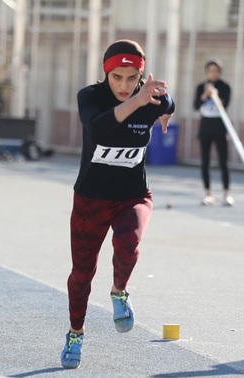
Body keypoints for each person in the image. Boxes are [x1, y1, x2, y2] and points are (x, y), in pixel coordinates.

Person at [60, 39, 175, 369]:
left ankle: (119, 292)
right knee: (82, 273)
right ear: (106, 74)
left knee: (129, 243)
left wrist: (164, 112)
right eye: (117, 77)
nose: (124, 85)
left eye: (131, 77)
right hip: (91, 198)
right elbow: (99, 130)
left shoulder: (150, 97)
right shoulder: (90, 97)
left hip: (133, 195)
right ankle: (75, 333)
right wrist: (138, 102)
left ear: (141, 74)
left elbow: (170, 102)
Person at [193, 59, 234, 206]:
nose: (213, 74)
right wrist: (205, 94)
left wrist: (215, 95)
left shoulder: (225, 87)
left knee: (223, 162)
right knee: (205, 162)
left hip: (220, 129)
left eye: (215, 71)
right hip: (205, 129)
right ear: (206, 72)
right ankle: (208, 193)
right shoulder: (200, 87)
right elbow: (196, 105)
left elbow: (226, 103)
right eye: (210, 71)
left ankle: (227, 193)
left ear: (219, 72)